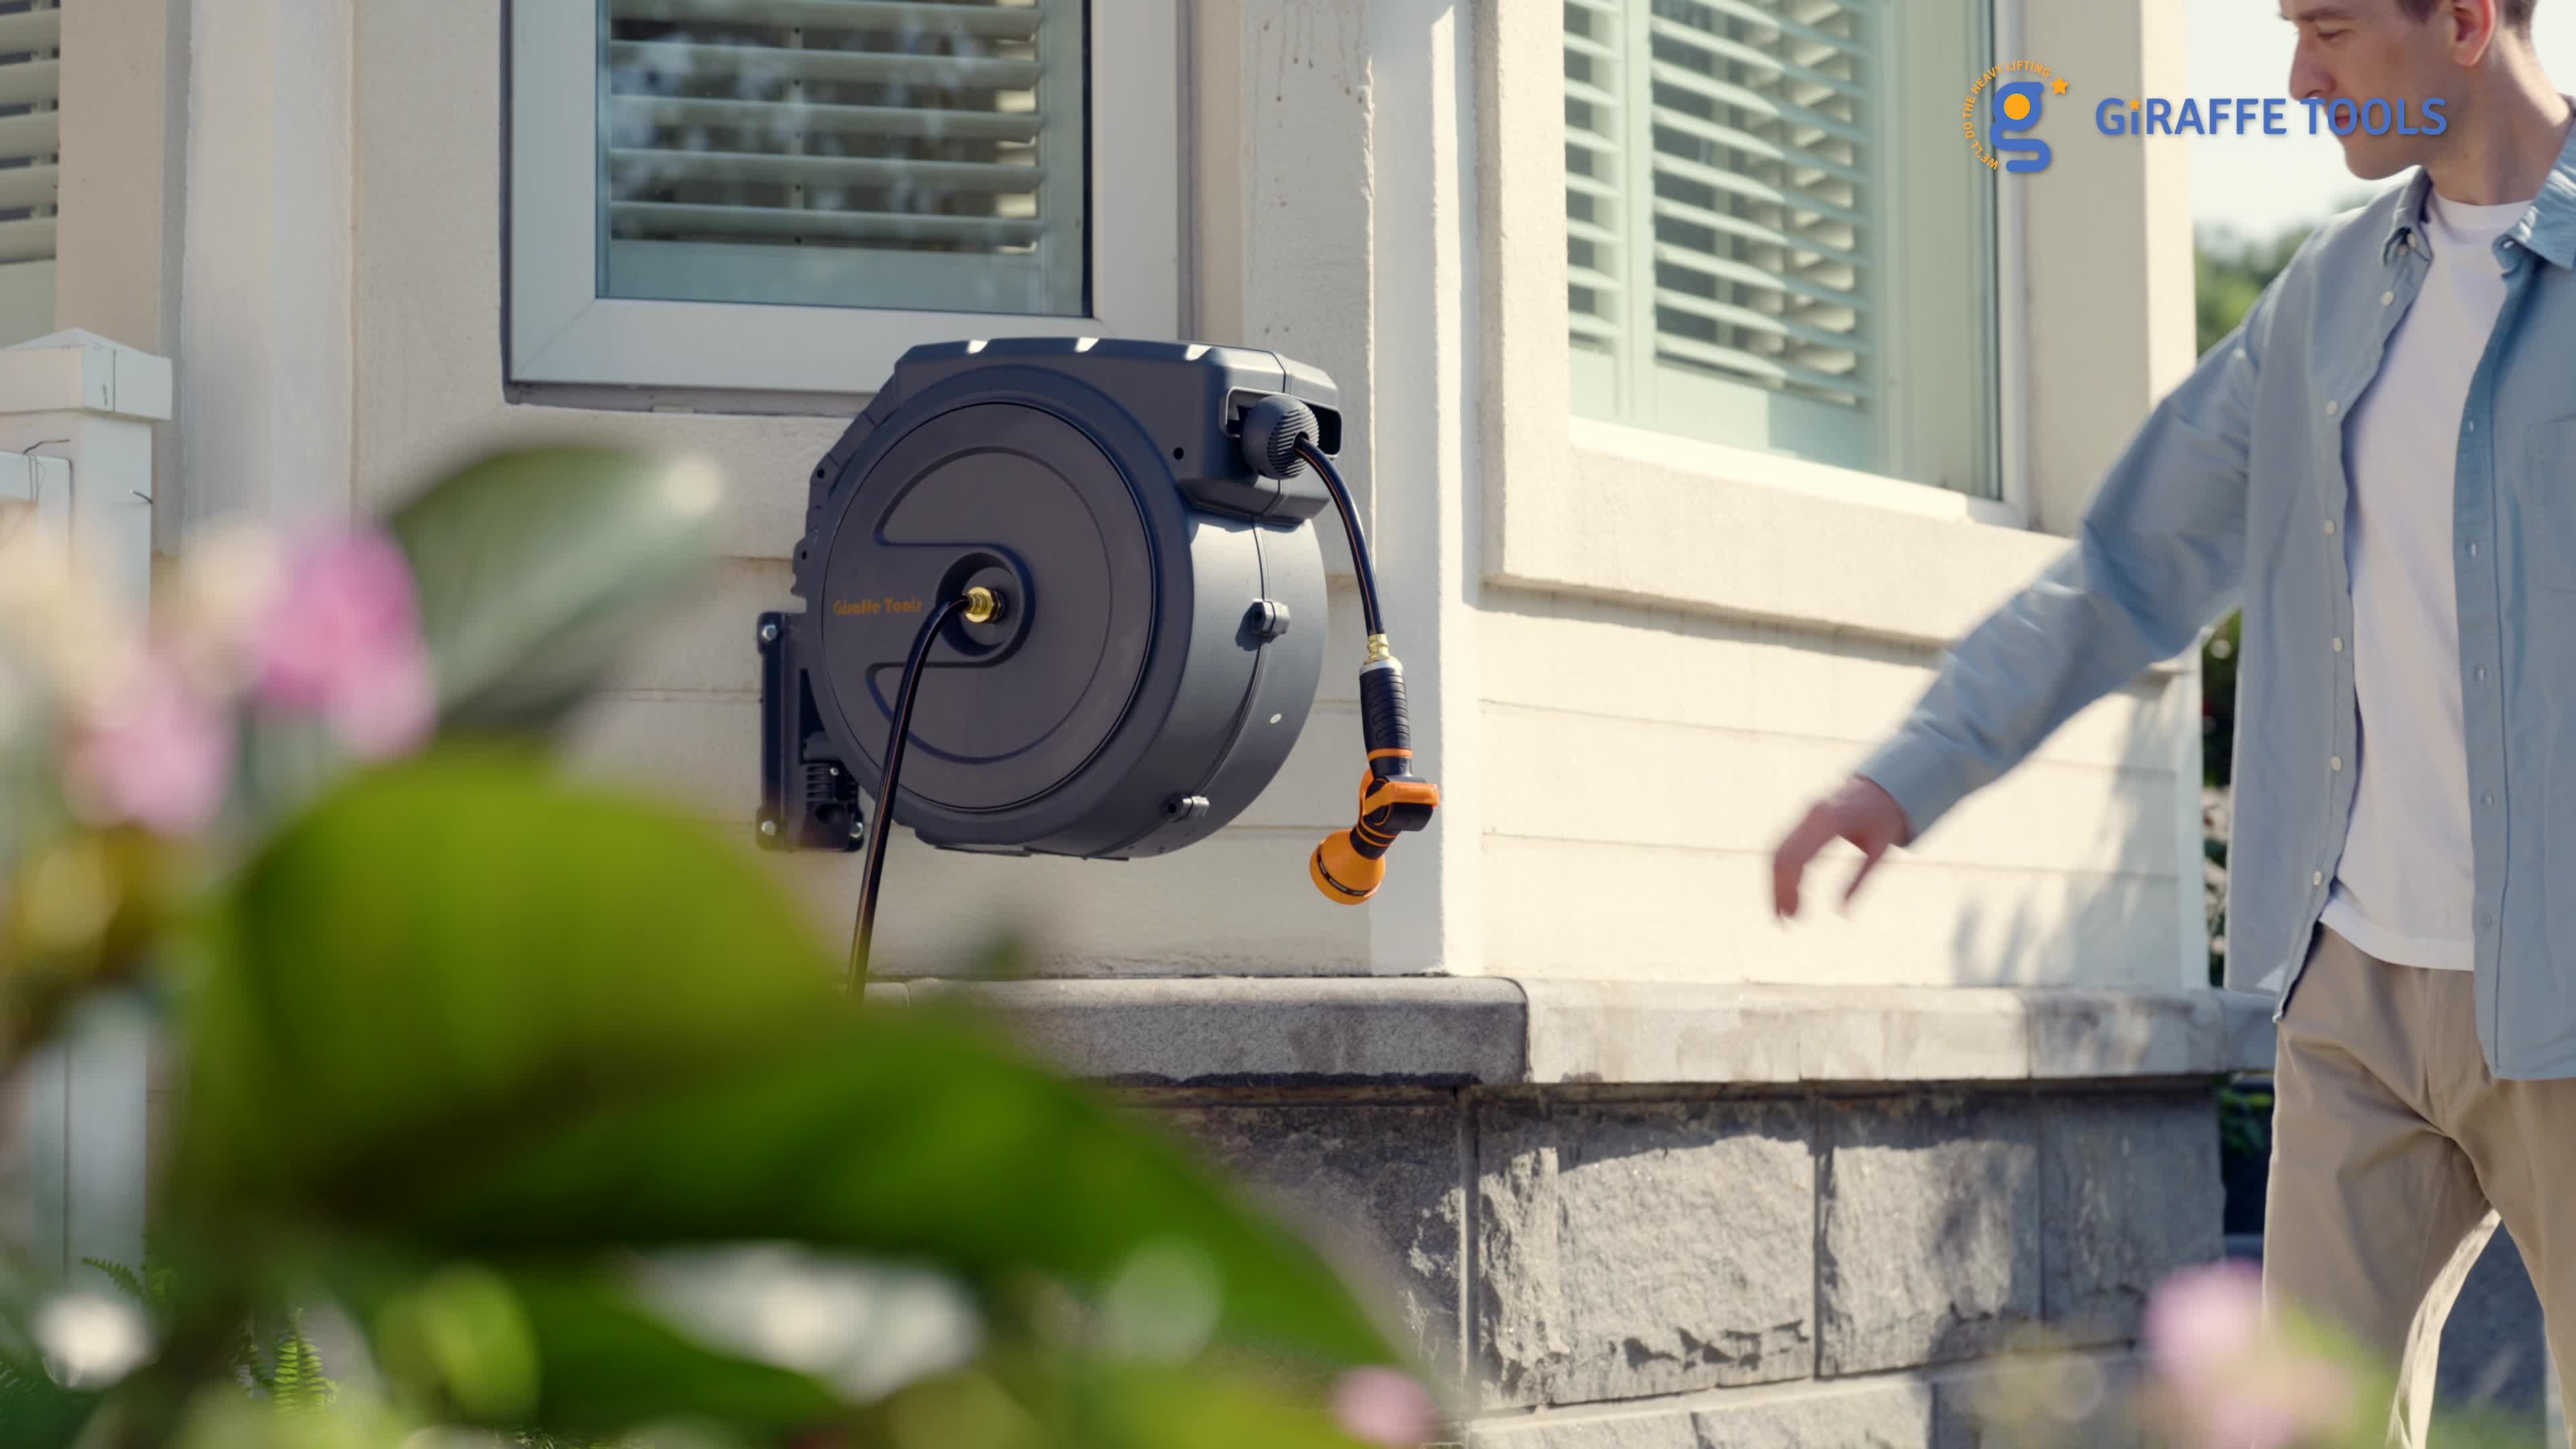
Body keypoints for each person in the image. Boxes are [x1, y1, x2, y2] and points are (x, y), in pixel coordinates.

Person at [1769, 0, 2576, 1440]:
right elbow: (2129, 565)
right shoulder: (2328, 300)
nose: (2294, 77)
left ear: (2462, 22)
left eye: (2328, 29)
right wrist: (1909, 770)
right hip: (2358, 999)